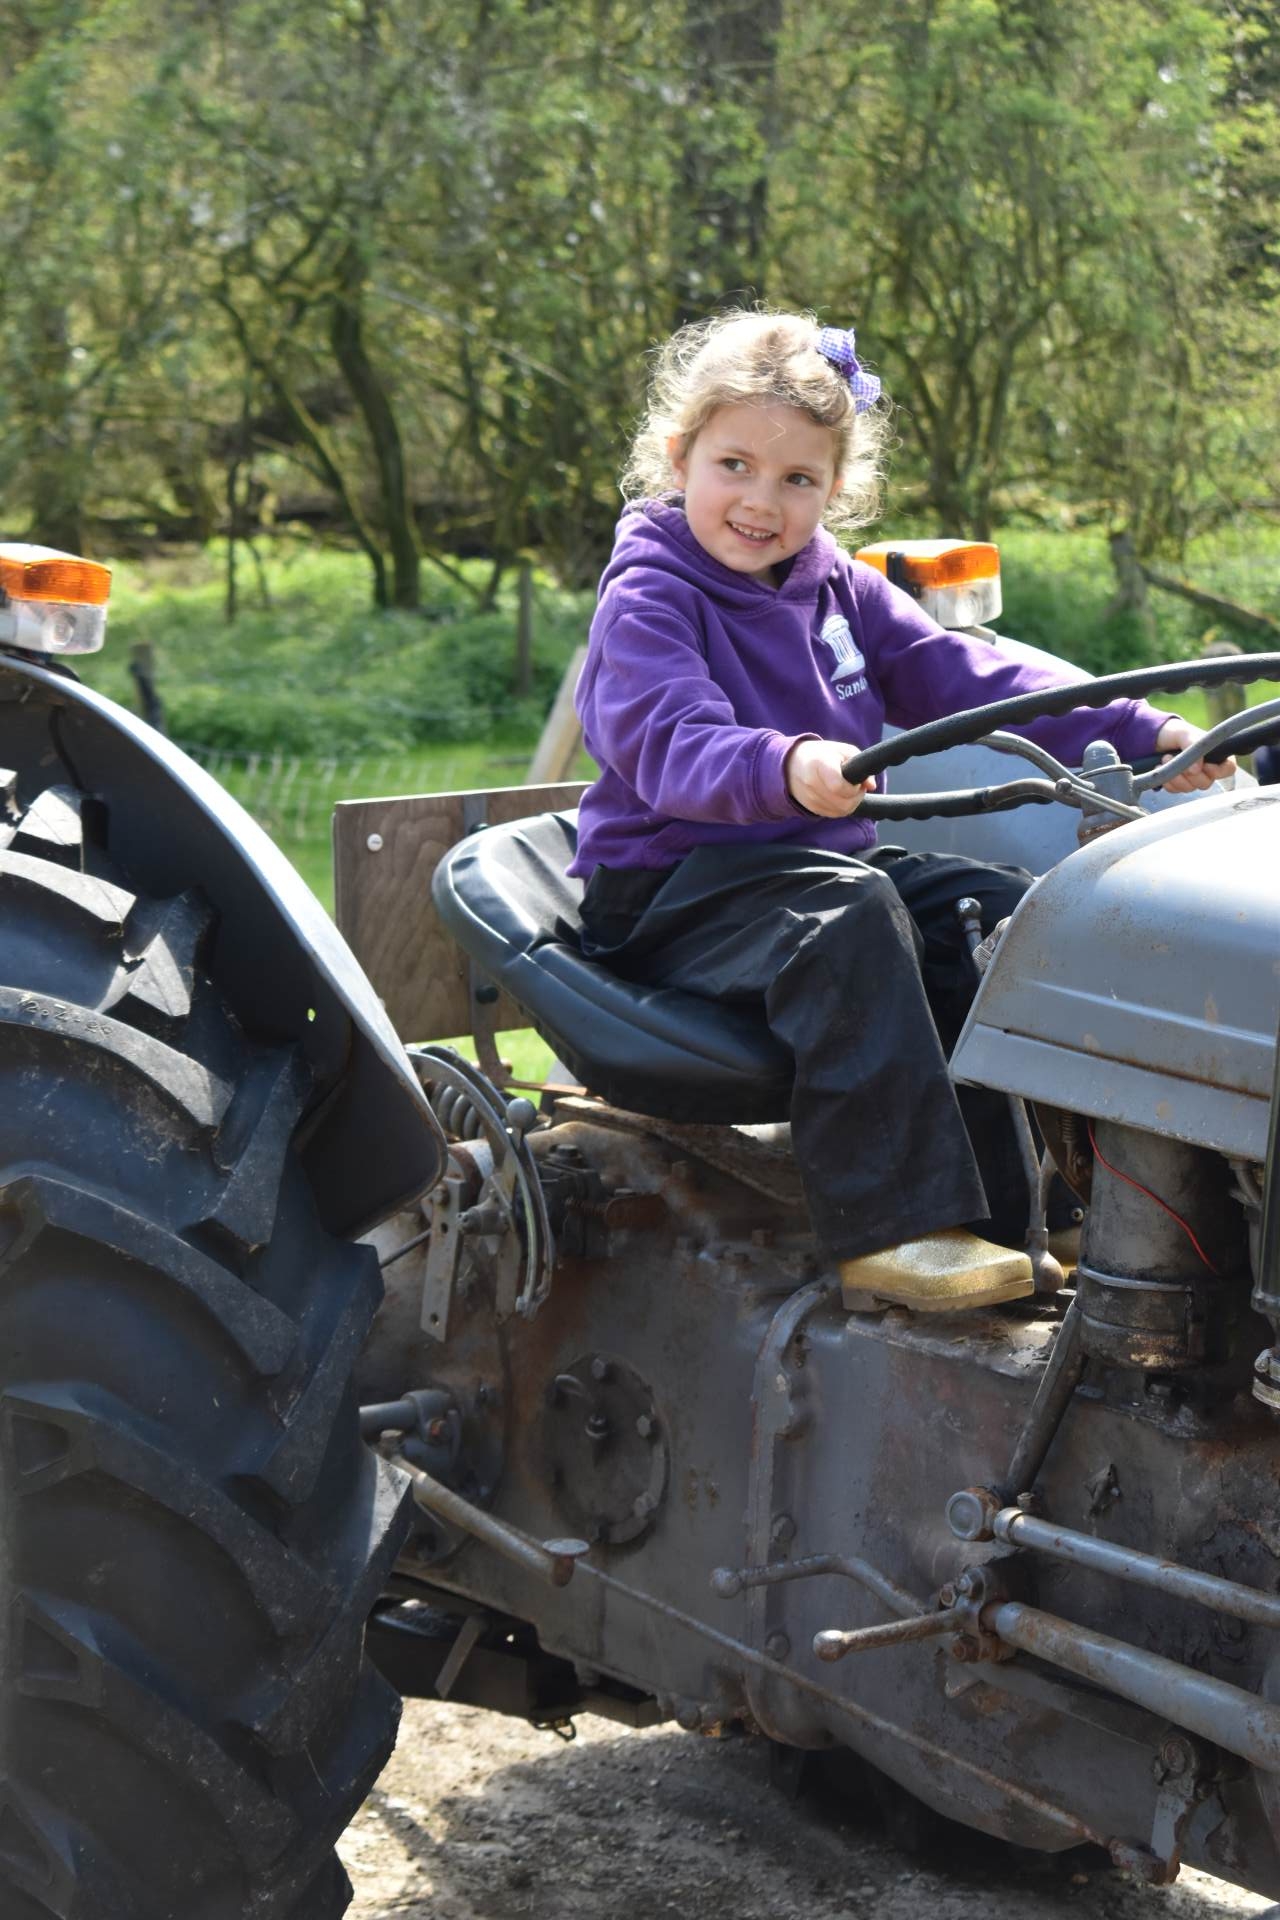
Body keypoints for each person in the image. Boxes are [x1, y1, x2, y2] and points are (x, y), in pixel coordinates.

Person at [570, 309, 1232, 1311]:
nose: (761, 502)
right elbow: (669, 739)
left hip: (808, 871)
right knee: (851, 919)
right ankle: (893, 1229)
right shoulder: (650, 594)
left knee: (994, 912)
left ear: (835, 489)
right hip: (672, 890)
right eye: (734, 465)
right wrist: (785, 763)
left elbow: (970, 676)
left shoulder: (833, 584)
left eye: (798, 480)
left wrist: (1143, 727)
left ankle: (1021, 1214)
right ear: (678, 457)